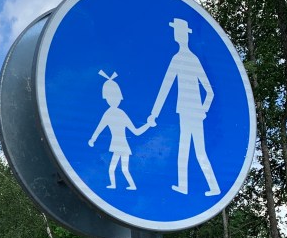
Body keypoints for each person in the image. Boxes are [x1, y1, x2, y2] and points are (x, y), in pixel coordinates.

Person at [147, 17, 220, 196]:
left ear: (182, 36)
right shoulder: (192, 59)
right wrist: (202, 110)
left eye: (178, 32)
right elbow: (208, 92)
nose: (177, 35)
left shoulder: (180, 59)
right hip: (190, 112)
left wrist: (154, 114)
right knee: (188, 149)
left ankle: (209, 187)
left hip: (189, 112)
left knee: (193, 150)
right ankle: (189, 186)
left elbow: (166, 88)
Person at [88, 70, 150, 190]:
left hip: (121, 145)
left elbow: (135, 131)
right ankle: (120, 185)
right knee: (117, 169)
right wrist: (92, 139)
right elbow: (100, 128)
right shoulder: (113, 114)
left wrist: (148, 125)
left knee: (119, 169)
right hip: (119, 145)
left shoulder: (118, 114)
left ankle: (128, 185)